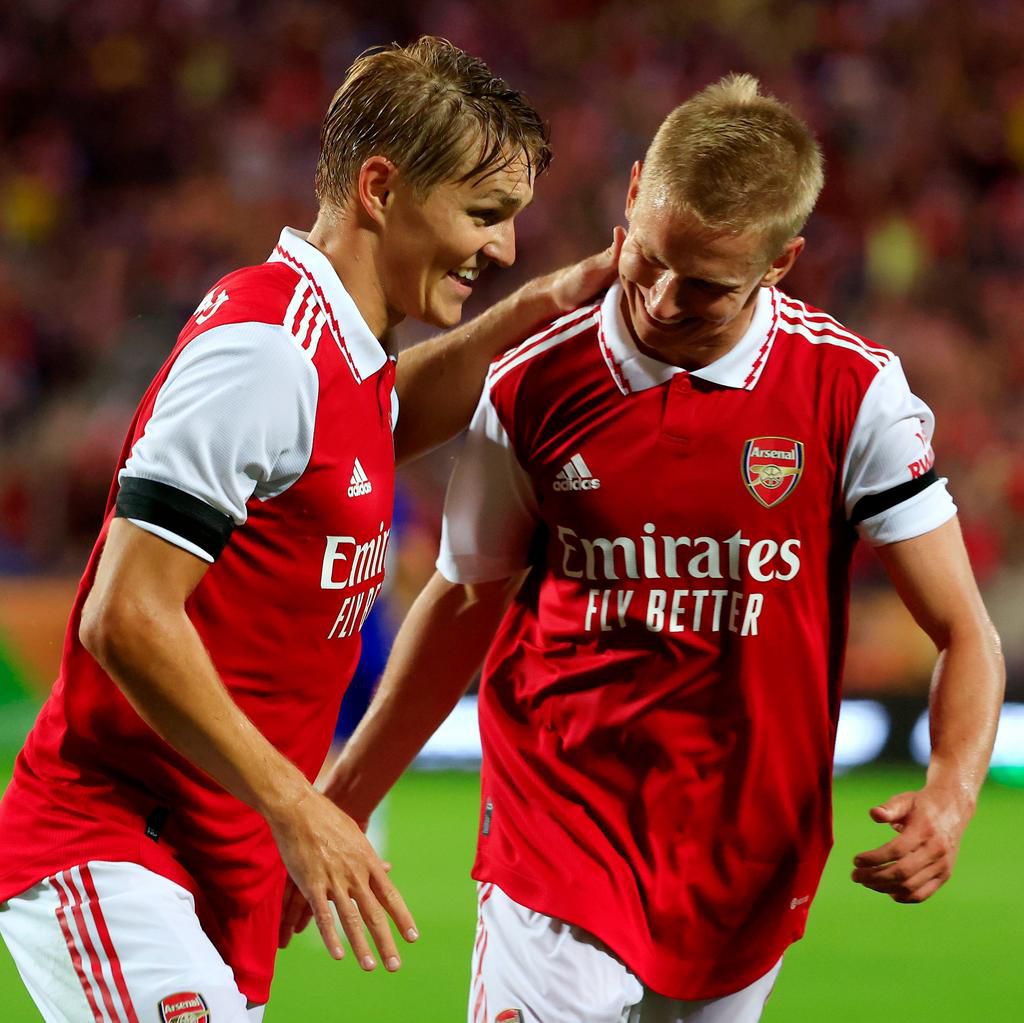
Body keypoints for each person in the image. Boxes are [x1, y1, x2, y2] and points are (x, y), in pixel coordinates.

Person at [289, 74, 1006, 1023]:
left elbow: (965, 629)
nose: (664, 299)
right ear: (633, 193)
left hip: (745, 853)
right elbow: (463, 599)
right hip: (558, 829)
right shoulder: (535, 380)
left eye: (706, 285)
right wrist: (339, 800)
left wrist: (952, 793)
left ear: (782, 261)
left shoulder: (849, 392)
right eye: (650, 257)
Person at [0, 36, 620, 1023]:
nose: (503, 250)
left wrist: (537, 313)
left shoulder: (339, 351)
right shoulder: (266, 353)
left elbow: (375, 423)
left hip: (211, 863)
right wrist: (301, 805)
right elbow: (124, 614)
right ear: (380, 188)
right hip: (114, 844)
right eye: (484, 214)